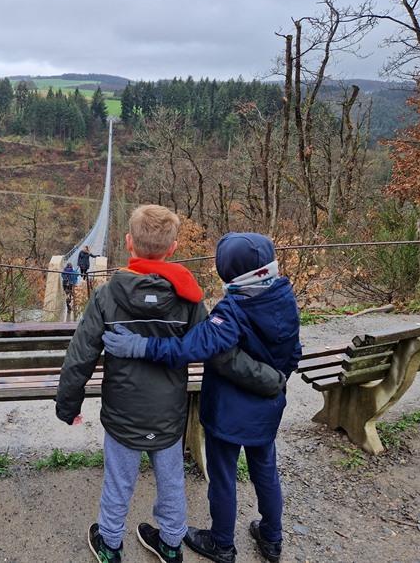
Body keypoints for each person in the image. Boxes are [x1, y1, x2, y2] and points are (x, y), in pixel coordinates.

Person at [103, 233, 302, 563]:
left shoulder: (233, 310)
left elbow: (190, 347)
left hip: (228, 412)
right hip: (268, 408)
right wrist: (276, 382)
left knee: (223, 476)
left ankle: (221, 543)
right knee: (265, 470)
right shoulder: (284, 296)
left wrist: (139, 346)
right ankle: (271, 537)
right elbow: (293, 352)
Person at [57, 204, 207, 563]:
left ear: (129, 242)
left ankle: (110, 545)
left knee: (118, 481)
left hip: (123, 415)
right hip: (168, 415)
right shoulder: (188, 299)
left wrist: (68, 405)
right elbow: (205, 345)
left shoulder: (107, 296)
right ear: (173, 248)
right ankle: (171, 544)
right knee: (171, 482)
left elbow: (80, 356)